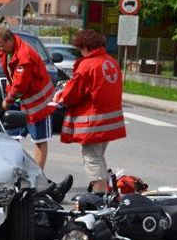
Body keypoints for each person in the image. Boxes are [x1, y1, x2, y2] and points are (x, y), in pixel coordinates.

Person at [0, 25, 72, 201]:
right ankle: (12, 176)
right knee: (12, 138)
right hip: (21, 101)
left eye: (0, 46)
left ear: (10, 40)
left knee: (39, 140)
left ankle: (37, 180)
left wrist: (8, 100)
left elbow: (20, 84)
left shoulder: (24, 55)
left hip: (39, 102)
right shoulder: (7, 51)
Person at [53, 29, 127, 194]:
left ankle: (99, 193)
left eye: (80, 49)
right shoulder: (111, 61)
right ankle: (102, 192)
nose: (80, 52)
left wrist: (60, 97)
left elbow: (72, 94)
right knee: (99, 156)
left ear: (85, 46)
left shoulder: (87, 65)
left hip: (93, 121)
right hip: (109, 121)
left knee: (92, 158)